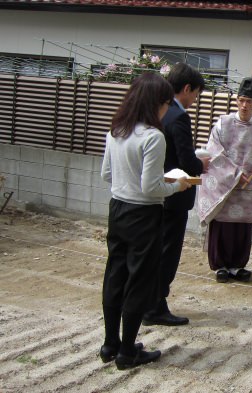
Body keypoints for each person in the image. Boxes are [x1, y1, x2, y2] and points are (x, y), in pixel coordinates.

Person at [99, 73, 191, 370]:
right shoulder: (153, 137)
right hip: (145, 215)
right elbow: (152, 188)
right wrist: (178, 185)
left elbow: (106, 175)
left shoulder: (116, 130)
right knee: (139, 282)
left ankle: (110, 344)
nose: (167, 110)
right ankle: (128, 352)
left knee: (115, 275)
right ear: (157, 104)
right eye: (166, 104)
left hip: (117, 210)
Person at [143, 63, 210, 327]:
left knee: (152, 251)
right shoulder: (179, 116)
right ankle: (156, 306)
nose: (195, 100)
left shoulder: (155, 112)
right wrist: (201, 164)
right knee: (168, 253)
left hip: (152, 194)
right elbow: (185, 161)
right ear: (186, 88)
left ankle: (149, 303)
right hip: (174, 195)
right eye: (196, 94)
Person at [196, 77, 252, 283]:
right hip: (226, 186)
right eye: (241, 100)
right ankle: (221, 266)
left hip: (249, 186)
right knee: (223, 225)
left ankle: (237, 265)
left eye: (249, 101)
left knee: (242, 228)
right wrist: (234, 173)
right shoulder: (223, 124)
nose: (244, 105)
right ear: (236, 101)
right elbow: (214, 152)